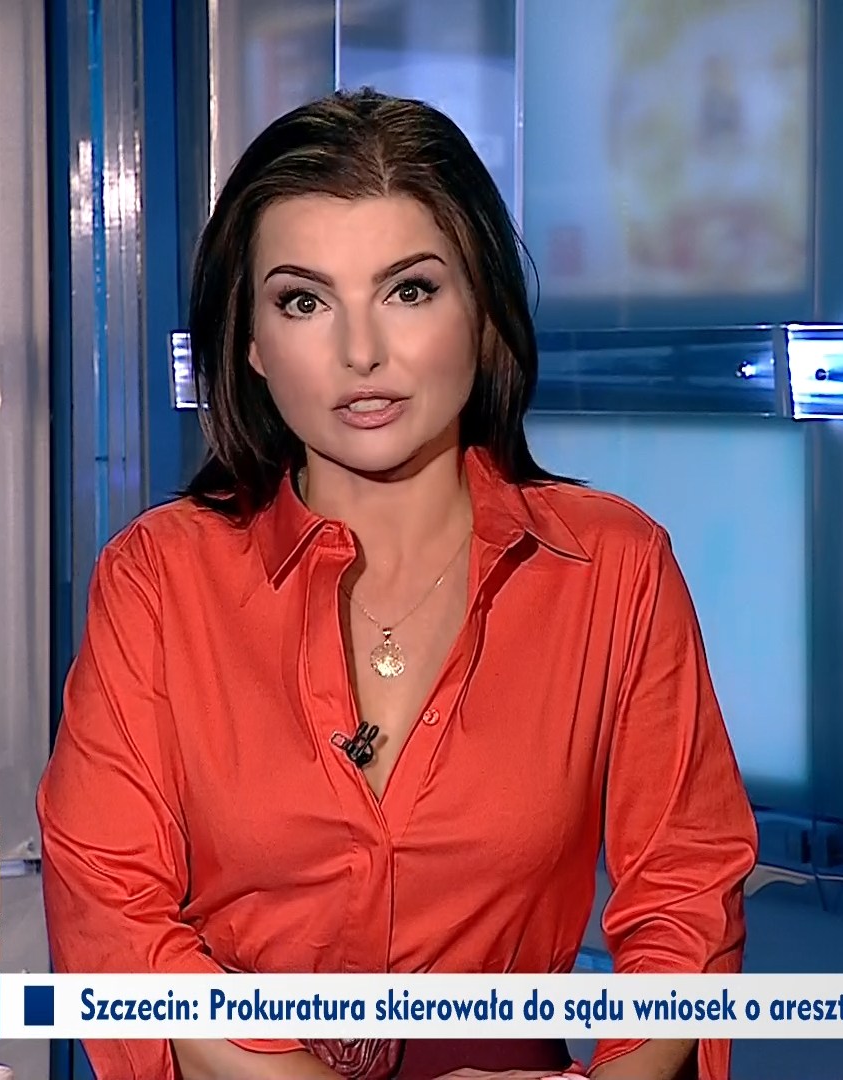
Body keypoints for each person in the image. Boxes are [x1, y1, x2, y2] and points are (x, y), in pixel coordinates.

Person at [37, 90, 758, 1080]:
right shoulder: (158, 577)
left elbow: (685, 890)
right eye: (304, 301)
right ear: (250, 343)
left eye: (409, 291)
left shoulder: (615, 568)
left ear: (483, 313)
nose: (360, 353)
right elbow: (111, 911)